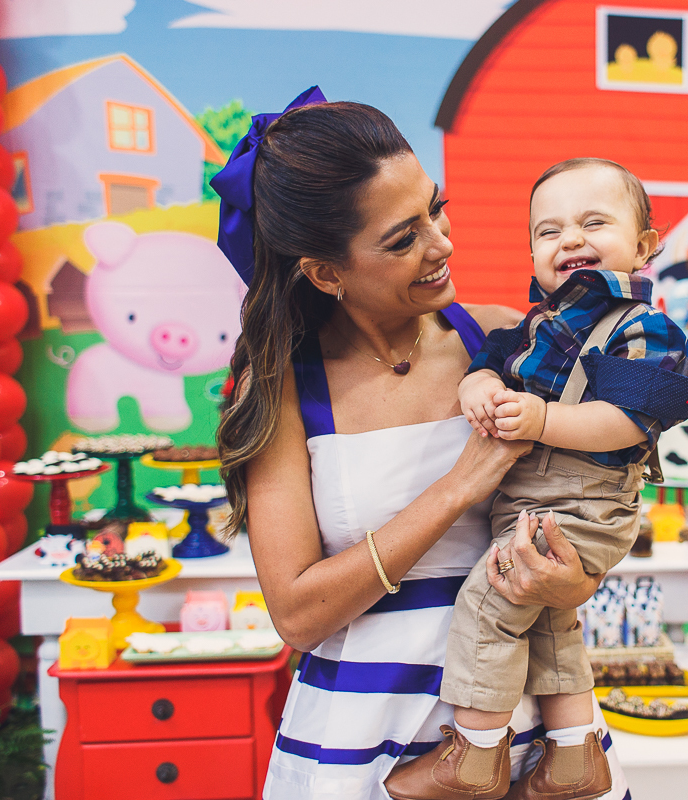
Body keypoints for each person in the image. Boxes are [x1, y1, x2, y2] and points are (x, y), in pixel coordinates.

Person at [212, 89, 630, 800]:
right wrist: (460, 485)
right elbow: (297, 615)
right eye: (403, 238)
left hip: (531, 742)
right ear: (325, 272)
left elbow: (582, 508)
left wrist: (573, 581)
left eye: (436, 207)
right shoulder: (283, 384)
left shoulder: (513, 341)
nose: (442, 244)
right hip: (359, 747)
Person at [386, 159, 688, 800]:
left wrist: (539, 417)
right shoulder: (534, 327)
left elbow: (628, 421)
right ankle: (574, 757)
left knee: (491, 602)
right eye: (548, 231)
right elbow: (488, 362)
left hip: (583, 500)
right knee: (548, 623)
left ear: (645, 246)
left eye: (594, 222)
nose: (570, 240)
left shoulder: (645, 329)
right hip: (538, 501)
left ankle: (473, 755)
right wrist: (480, 383)